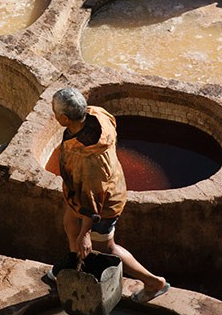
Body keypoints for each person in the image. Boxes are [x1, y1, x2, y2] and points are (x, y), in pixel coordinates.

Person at [45, 87, 169, 303]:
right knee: (69, 223)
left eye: (55, 113)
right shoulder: (96, 113)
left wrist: (86, 234)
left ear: (65, 118)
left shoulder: (87, 158)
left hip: (102, 204)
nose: (54, 116)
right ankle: (74, 268)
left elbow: (93, 201)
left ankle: (153, 282)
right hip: (86, 192)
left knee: (106, 247)